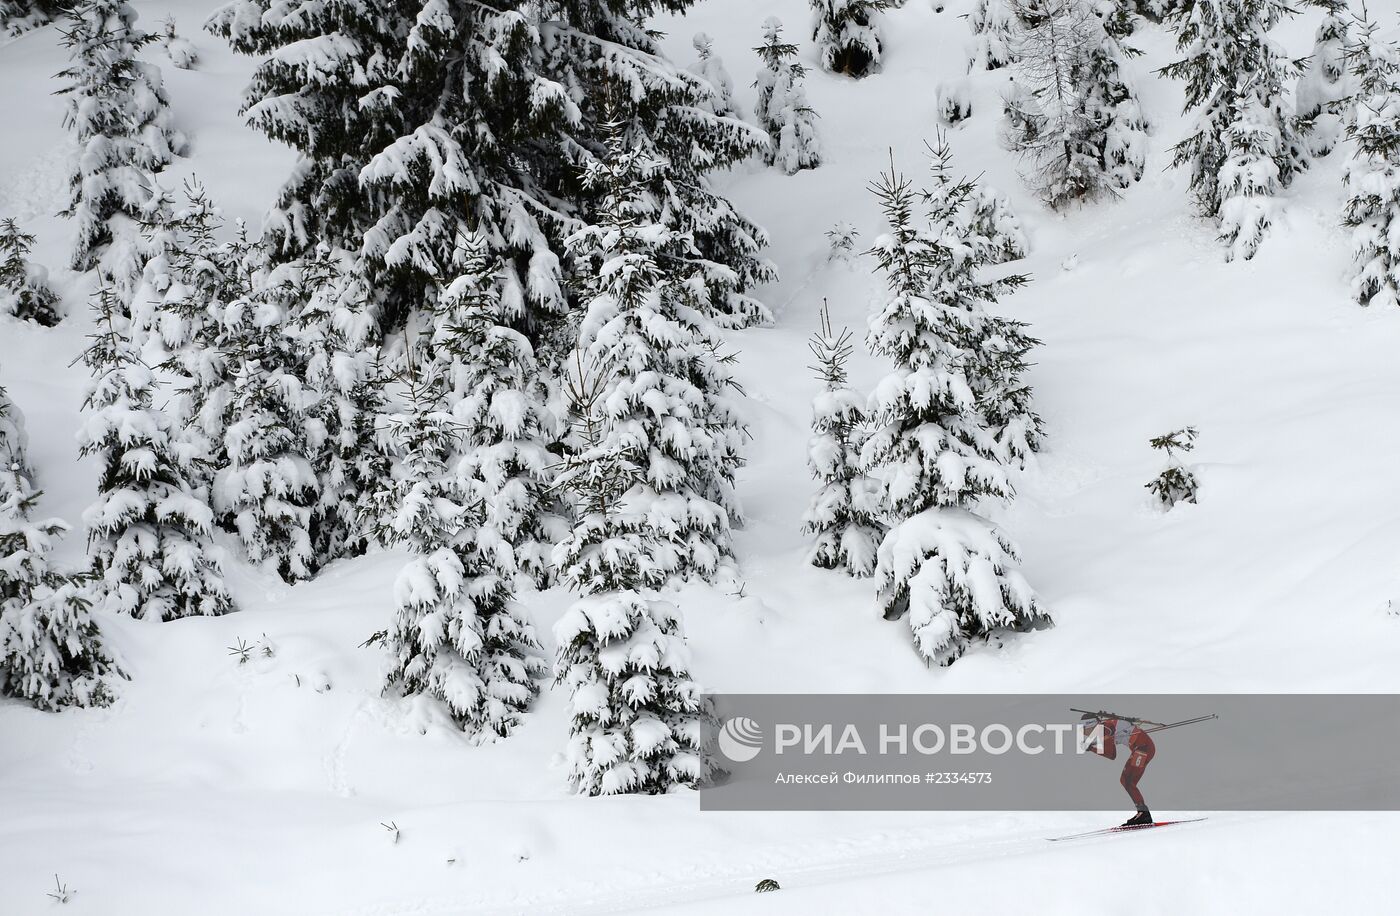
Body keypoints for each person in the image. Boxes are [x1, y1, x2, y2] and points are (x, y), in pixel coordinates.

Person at [1081, 712, 1156, 827]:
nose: (1084, 732)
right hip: (1144, 747)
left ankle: (1144, 814)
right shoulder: (1104, 727)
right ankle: (1143, 813)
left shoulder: (1103, 729)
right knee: (1126, 781)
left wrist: (1092, 748)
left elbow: (1111, 755)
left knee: (1127, 781)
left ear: (1091, 725)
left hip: (1143, 748)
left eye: (1084, 729)